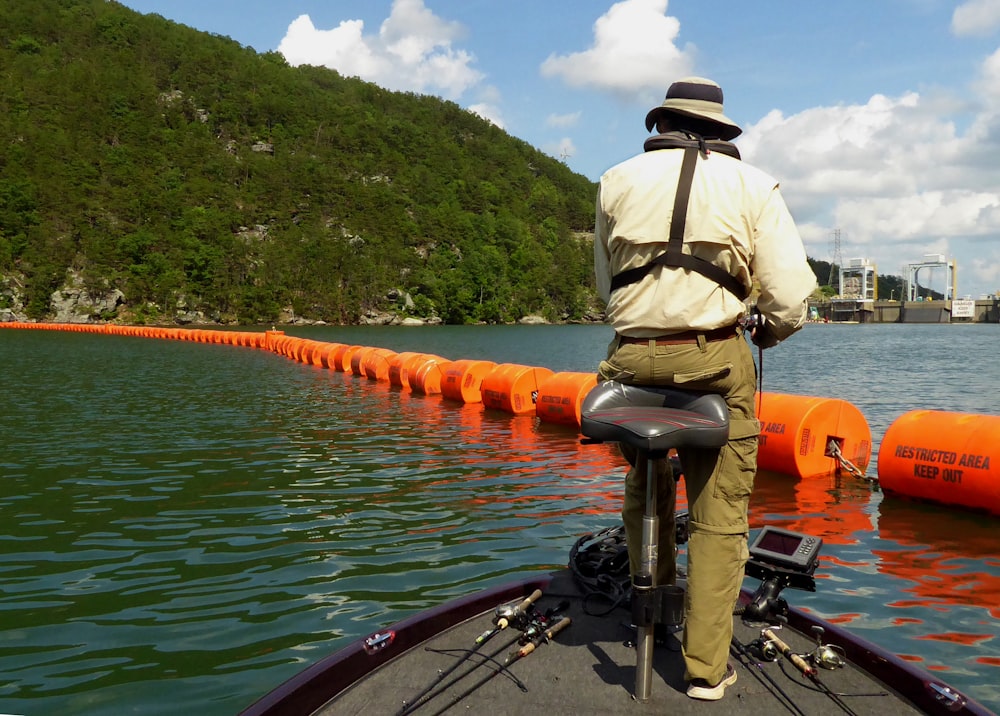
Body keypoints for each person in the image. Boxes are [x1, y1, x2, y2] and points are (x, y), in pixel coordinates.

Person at [593, 76, 817, 701]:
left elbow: (606, 284)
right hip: (716, 358)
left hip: (632, 363)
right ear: (720, 133)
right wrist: (765, 331)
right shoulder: (751, 184)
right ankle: (705, 671)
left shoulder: (615, 179)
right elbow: (792, 298)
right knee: (719, 519)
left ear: (661, 125)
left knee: (647, 489)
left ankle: (654, 617)